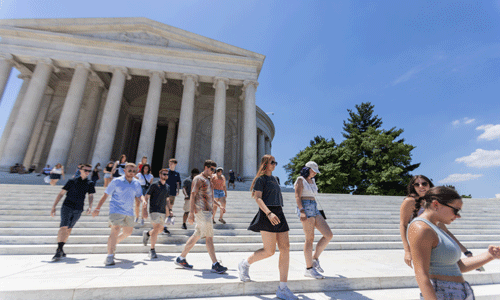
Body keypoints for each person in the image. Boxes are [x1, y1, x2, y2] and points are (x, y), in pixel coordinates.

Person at [408, 186, 500, 300]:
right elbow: (421, 274)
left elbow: (457, 266)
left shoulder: (435, 227)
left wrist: (490, 255)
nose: (458, 216)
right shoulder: (421, 228)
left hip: (458, 292)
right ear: (436, 205)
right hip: (443, 293)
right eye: (455, 210)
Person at [238, 155, 298, 300]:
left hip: (279, 212)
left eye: (275, 162)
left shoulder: (276, 179)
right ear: (265, 164)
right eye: (272, 162)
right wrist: (269, 213)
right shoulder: (261, 179)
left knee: (286, 248)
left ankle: (283, 288)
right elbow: (258, 198)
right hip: (267, 213)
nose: (275, 164)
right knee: (269, 251)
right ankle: (245, 264)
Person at [400, 175, 471, 269]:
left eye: (424, 183)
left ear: (429, 185)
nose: (421, 186)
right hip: (420, 239)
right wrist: (407, 251)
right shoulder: (410, 201)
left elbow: (444, 230)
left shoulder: (434, 203)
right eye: (417, 184)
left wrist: (465, 251)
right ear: (413, 187)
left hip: (436, 240)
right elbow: (403, 225)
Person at [174, 160, 228, 274]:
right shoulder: (198, 179)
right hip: (202, 211)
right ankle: (215, 264)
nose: (213, 172)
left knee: (196, 235)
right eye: (212, 169)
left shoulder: (208, 180)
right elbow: (193, 195)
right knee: (209, 237)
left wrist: (219, 205)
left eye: (214, 169)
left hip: (207, 211)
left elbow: (208, 197)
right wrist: (191, 213)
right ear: (206, 167)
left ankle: (181, 258)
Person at [92, 163, 144, 266]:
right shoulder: (116, 181)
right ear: (124, 170)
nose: (131, 173)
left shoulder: (136, 183)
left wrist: (144, 201)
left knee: (128, 232)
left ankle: (113, 244)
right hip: (116, 210)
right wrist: (97, 208)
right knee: (115, 229)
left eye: (134, 171)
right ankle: (110, 256)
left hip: (129, 211)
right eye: (129, 171)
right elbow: (106, 194)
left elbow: (139, 195)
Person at [294, 161, 332, 279]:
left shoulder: (313, 181)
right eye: (313, 170)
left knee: (328, 235)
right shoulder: (300, 180)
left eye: (316, 171)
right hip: (305, 206)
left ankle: (314, 258)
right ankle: (309, 269)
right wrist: (302, 211)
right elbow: (297, 196)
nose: (315, 173)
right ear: (308, 169)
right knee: (309, 238)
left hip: (314, 206)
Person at [50, 164, 95, 261]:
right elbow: (61, 193)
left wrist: (90, 206)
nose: (87, 172)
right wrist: (54, 206)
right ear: (80, 170)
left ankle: (61, 248)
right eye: (86, 170)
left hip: (78, 208)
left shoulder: (90, 183)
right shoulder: (72, 181)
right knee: (64, 226)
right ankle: (59, 249)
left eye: (89, 171)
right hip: (67, 206)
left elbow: (90, 195)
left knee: (69, 229)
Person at [142, 169, 171, 259]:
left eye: (167, 174)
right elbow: (146, 196)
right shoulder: (154, 185)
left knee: (160, 229)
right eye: (164, 174)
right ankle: (152, 250)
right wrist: (144, 209)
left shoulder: (167, 187)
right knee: (156, 227)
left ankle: (147, 233)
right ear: (160, 174)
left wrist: (170, 210)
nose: (165, 175)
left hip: (162, 211)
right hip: (154, 210)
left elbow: (167, 199)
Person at [164, 158, 181, 233]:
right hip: (166, 192)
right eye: (169, 163)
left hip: (173, 192)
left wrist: (177, 190)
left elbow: (178, 183)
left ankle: (167, 222)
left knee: (170, 207)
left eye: (171, 163)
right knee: (167, 207)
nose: (170, 165)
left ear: (175, 164)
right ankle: (164, 225)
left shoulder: (177, 173)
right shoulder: (166, 172)